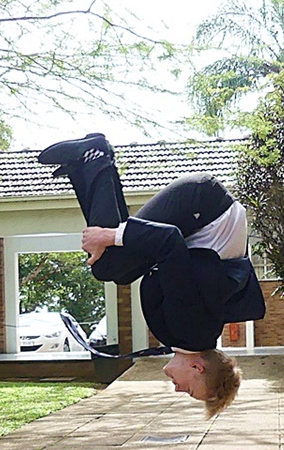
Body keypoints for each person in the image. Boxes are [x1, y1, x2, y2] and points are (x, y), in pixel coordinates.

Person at [38, 132, 266, 416]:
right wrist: (110, 235)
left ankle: (86, 164)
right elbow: (169, 241)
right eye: (190, 390)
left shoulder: (193, 334)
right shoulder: (189, 327)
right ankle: (93, 157)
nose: (178, 390)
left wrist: (112, 238)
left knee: (118, 270)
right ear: (198, 367)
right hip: (204, 207)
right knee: (109, 264)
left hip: (206, 209)